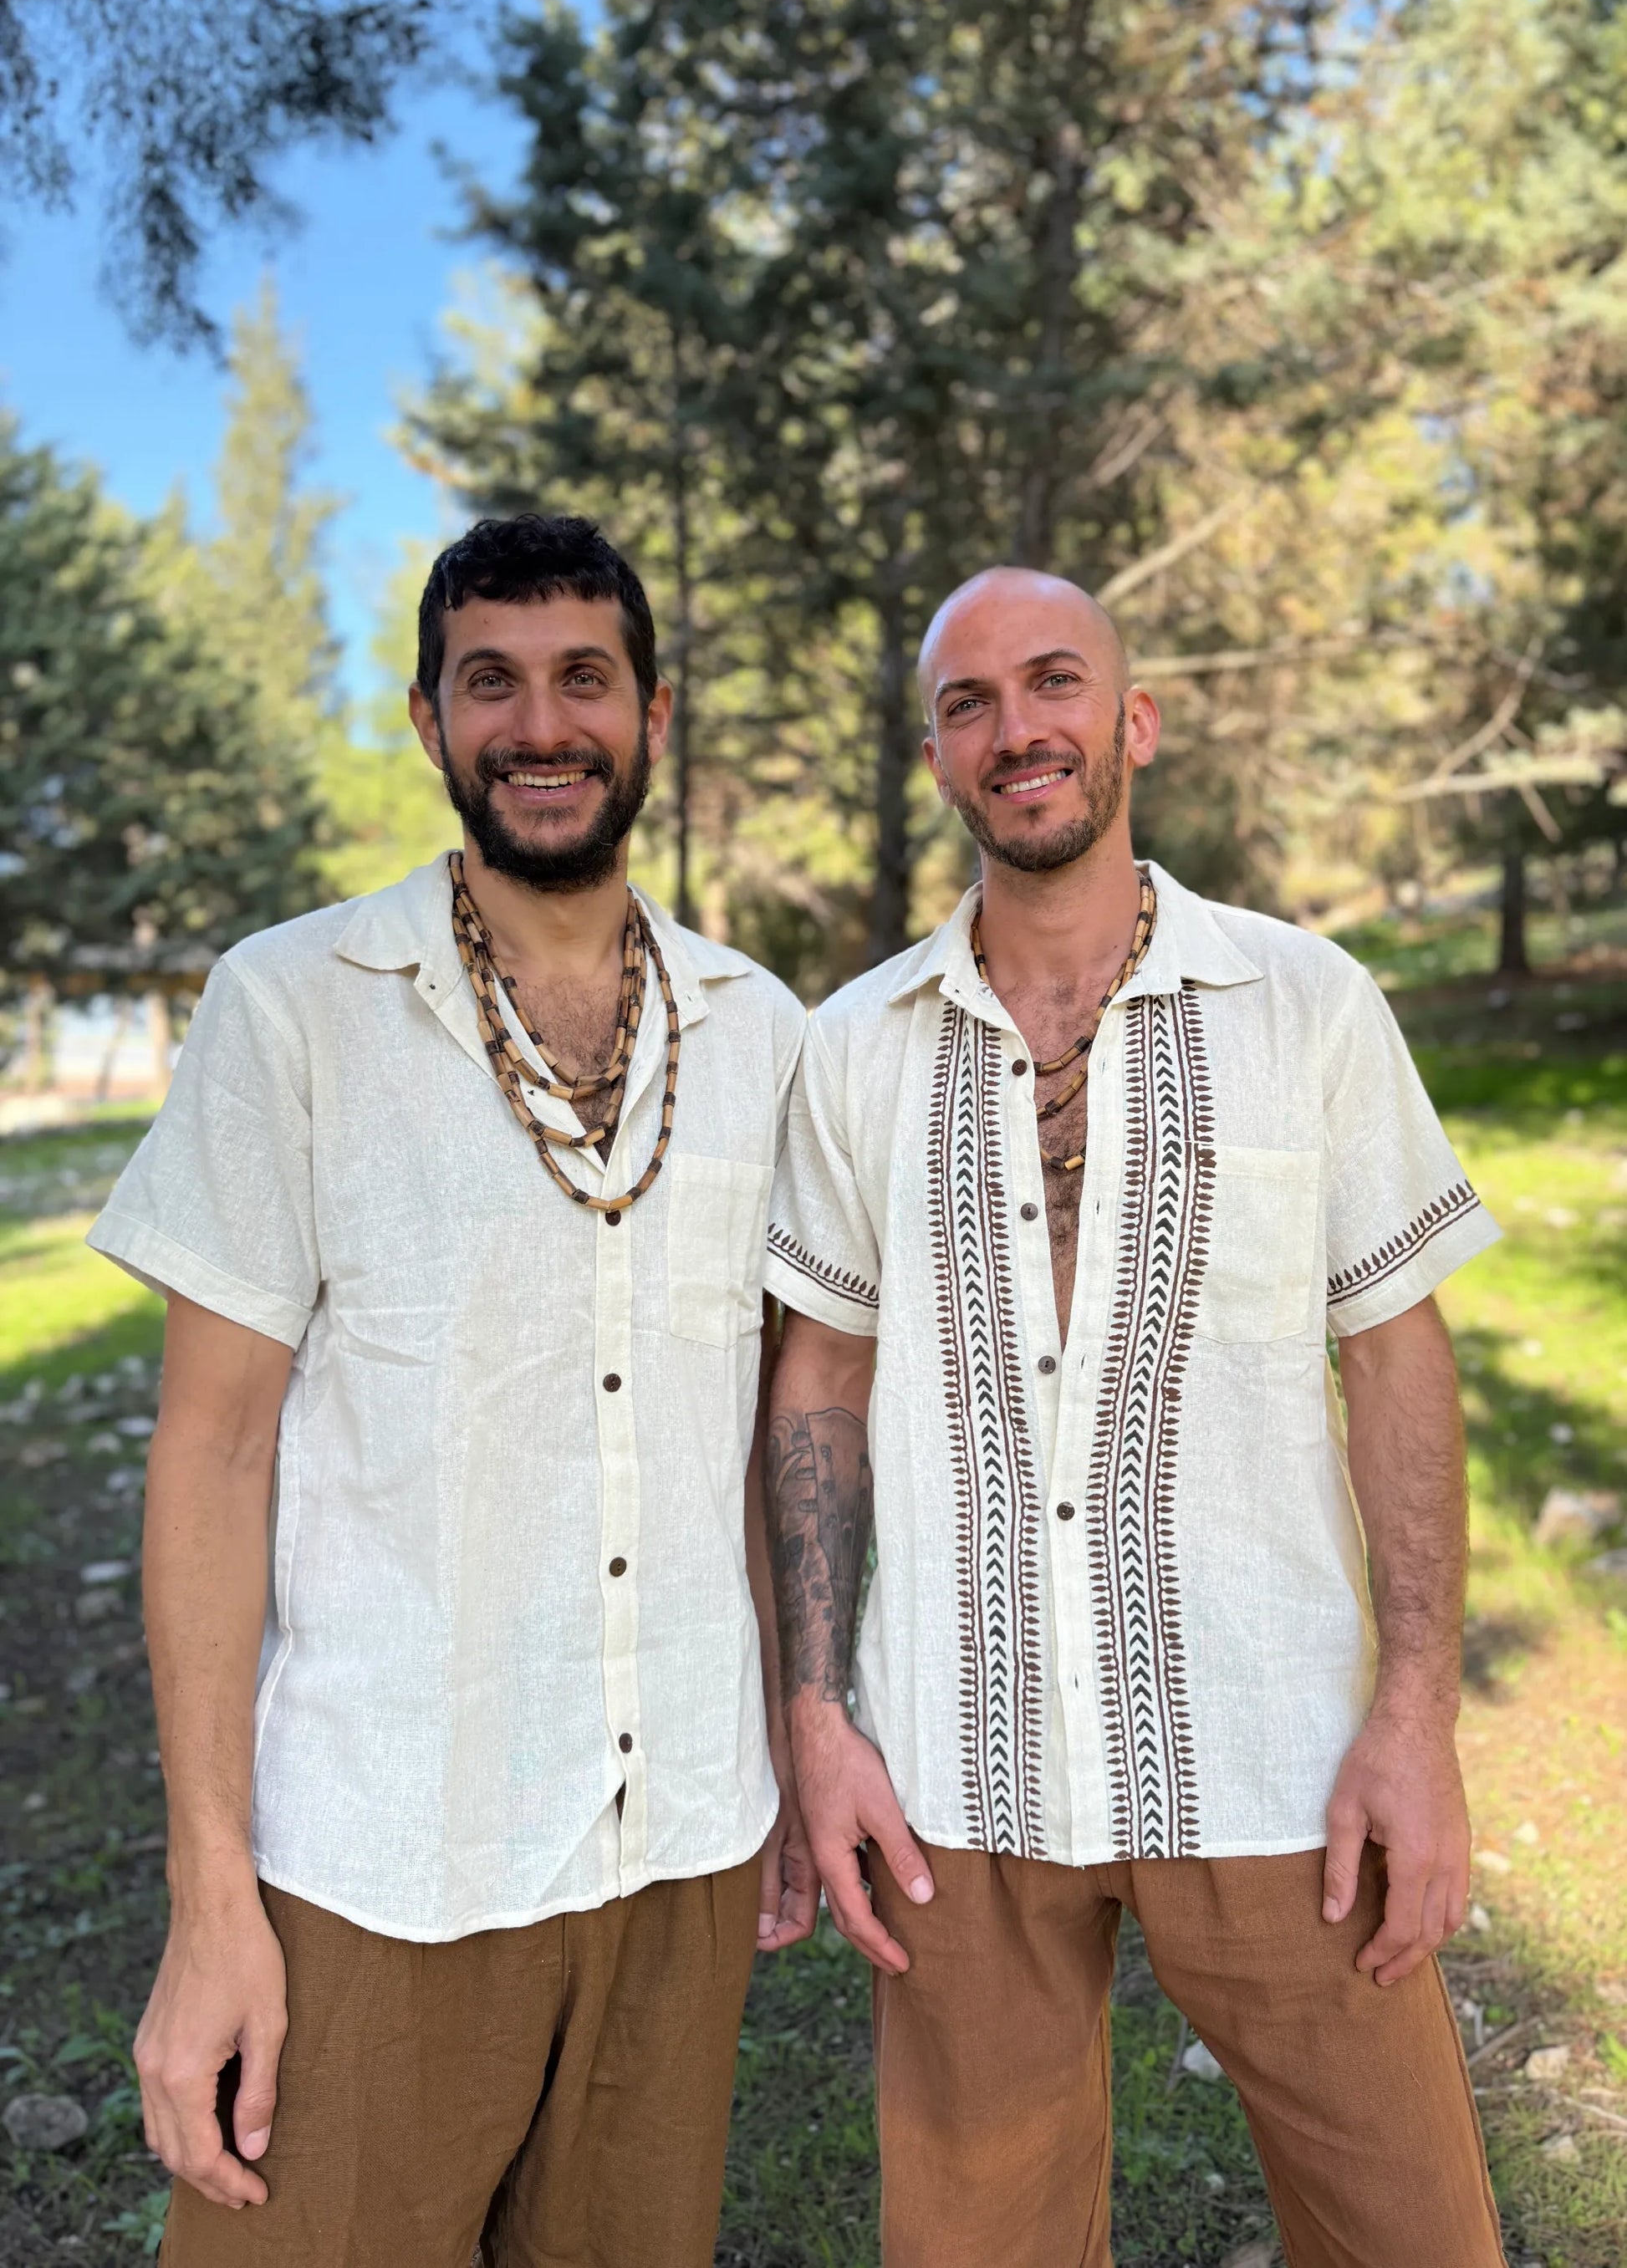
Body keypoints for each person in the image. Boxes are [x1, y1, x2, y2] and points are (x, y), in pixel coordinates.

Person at [90, 513, 815, 2268]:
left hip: (681, 1839)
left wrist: (793, 1739)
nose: (539, 723)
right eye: (490, 680)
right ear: (429, 719)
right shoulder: (294, 1008)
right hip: (382, 1856)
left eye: (584, 677)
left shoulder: (761, 1029)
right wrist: (211, 1901)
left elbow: (766, 1428)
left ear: (652, 713)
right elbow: (212, 1448)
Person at [764, 566, 1507, 2268]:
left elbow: (1395, 1350)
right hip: (958, 1759)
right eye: (967, 703)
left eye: (1052, 682)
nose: (1015, 728)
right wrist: (815, 1710)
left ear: (1131, 720)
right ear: (939, 756)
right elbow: (818, 1373)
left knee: (1413, 2232)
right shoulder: (851, 1046)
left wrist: (1412, 1713)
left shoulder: (1303, 1005)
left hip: (1274, 1751)